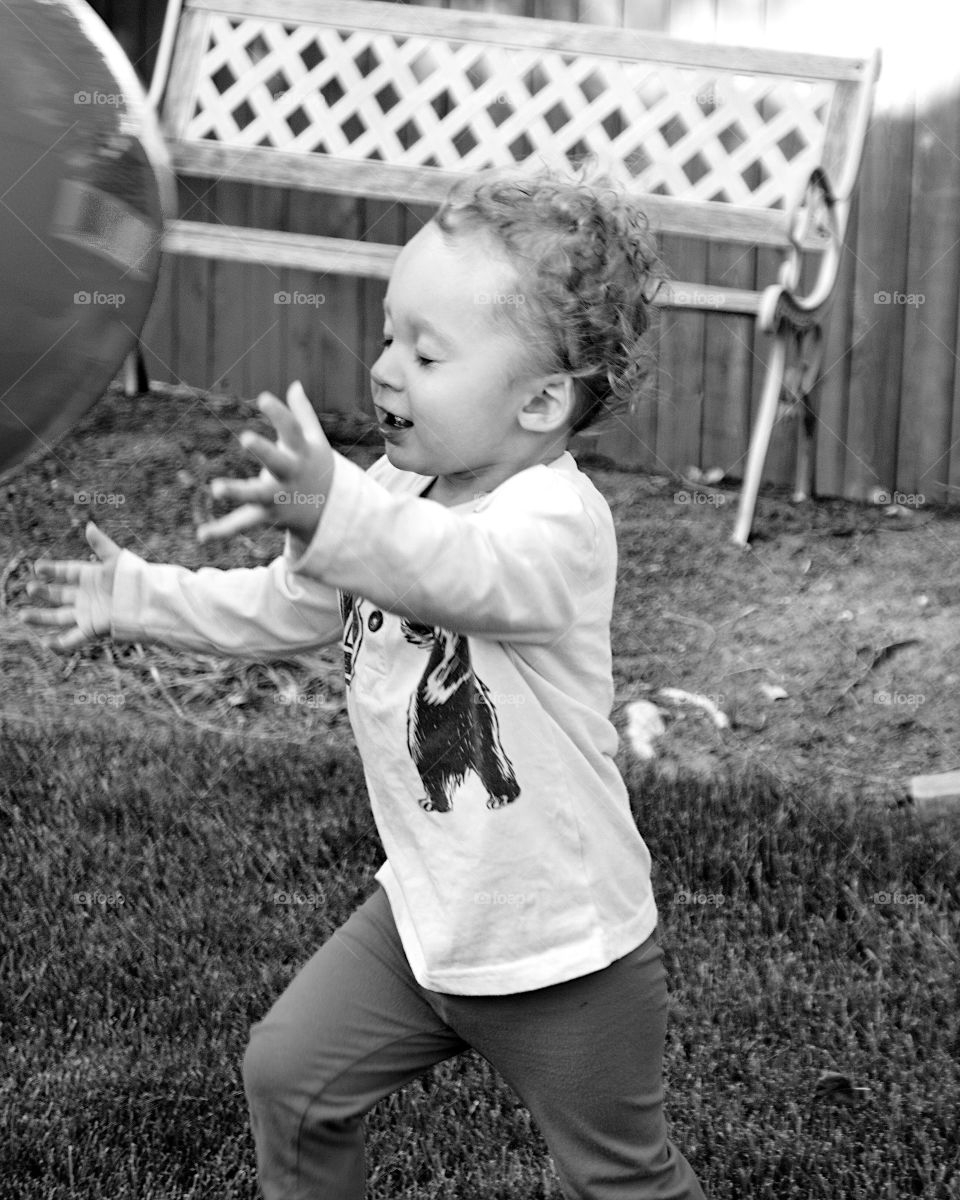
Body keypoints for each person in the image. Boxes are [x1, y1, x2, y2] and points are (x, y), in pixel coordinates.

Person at [22, 169, 707, 1200]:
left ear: (540, 399)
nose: (386, 369)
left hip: (564, 955)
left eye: (427, 353)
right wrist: (138, 597)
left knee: (616, 1180)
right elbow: (288, 603)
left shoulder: (555, 528)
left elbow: (454, 569)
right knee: (290, 1079)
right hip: (425, 922)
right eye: (390, 335)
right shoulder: (392, 495)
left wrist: (335, 508)